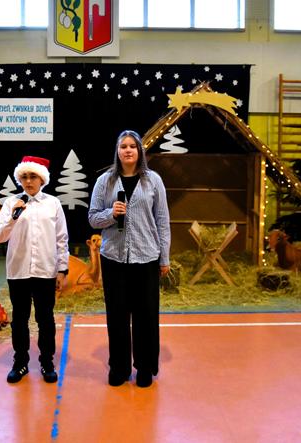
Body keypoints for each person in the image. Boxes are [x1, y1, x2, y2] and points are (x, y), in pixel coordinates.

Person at [88, 129, 171, 388]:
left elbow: (162, 221)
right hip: (114, 259)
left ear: (139, 151)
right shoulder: (105, 181)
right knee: (117, 316)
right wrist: (110, 214)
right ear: (117, 151)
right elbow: (92, 218)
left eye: (132, 146)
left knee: (146, 316)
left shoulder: (153, 181)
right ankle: (120, 368)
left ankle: (144, 367)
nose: (127, 150)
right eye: (123, 146)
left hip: (146, 258)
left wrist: (164, 257)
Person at [0, 155, 69, 384]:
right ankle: (20, 362)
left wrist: (62, 269)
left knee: (45, 319)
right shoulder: (11, 203)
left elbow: (61, 238)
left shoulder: (53, 204)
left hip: (45, 271)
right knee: (19, 319)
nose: (28, 181)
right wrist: (13, 218)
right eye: (24, 176)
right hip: (18, 271)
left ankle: (47, 362)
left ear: (42, 179)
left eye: (33, 176)